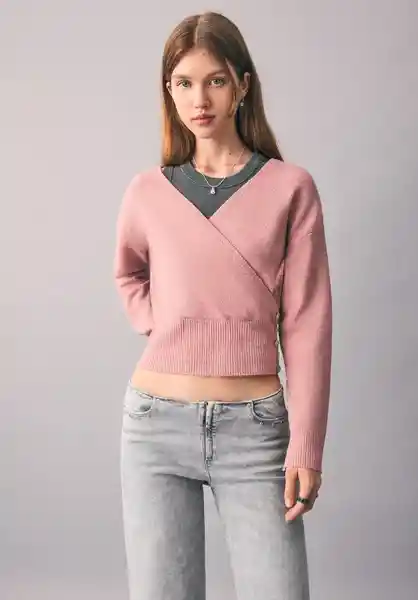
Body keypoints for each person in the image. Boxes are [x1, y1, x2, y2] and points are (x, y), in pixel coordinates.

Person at [113, 10, 332, 600]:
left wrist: (307, 444)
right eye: (183, 83)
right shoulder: (147, 190)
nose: (199, 99)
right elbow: (128, 272)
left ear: (242, 85)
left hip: (254, 432)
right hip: (155, 425)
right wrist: (164, 324)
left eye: (214, 80)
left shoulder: (290, 188)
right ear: (169, 91)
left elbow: (308, 322)